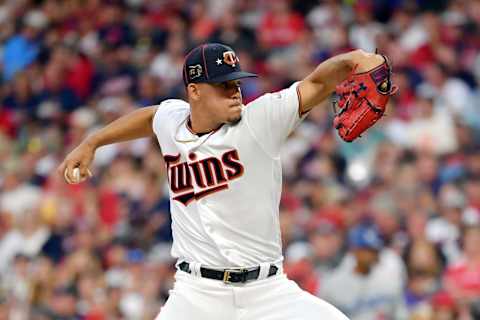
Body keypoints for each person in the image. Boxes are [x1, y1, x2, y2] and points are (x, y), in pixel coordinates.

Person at [58, 42, 385, 320]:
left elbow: (314, 85)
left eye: (237, 83)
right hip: (196, 295)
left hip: (267, 293)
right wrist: (93, 142)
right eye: (224, 85)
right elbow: (151, 116)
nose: (235, 92)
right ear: (195, 91)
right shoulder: (173, 122)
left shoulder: (259, 121)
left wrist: (352, 60)